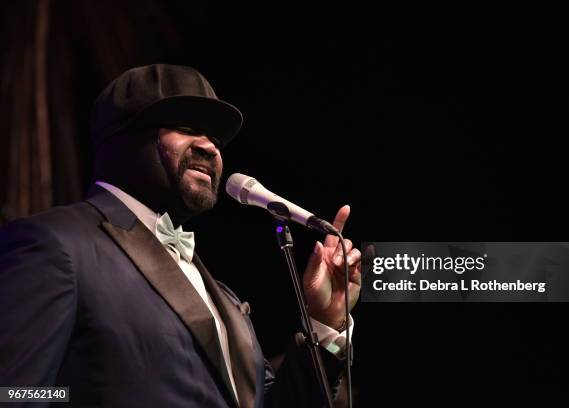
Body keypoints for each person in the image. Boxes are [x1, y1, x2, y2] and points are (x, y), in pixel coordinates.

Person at [0, 64, 362, 407]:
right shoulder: (56, 244)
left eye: (215, 138)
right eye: (187, 127)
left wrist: (324, 321)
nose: (210, 147)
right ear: (127, 137)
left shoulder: (222, 295)